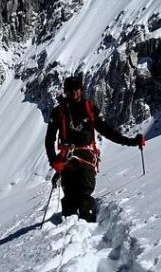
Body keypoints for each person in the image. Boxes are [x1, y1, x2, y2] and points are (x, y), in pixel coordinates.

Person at [44, 75, 145, 222]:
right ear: (66, 92)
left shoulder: (89, 108)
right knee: (70, 196)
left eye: (77, 90)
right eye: (71, 91)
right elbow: (49, 139)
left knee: (85, 191)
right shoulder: (59, 112)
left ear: (81, 90)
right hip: (68, 158)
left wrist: (132, 142)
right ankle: (71, 225)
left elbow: (107, 131)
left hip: (86, 156)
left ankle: (84, 222)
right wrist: (54, 160)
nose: (74, 93)